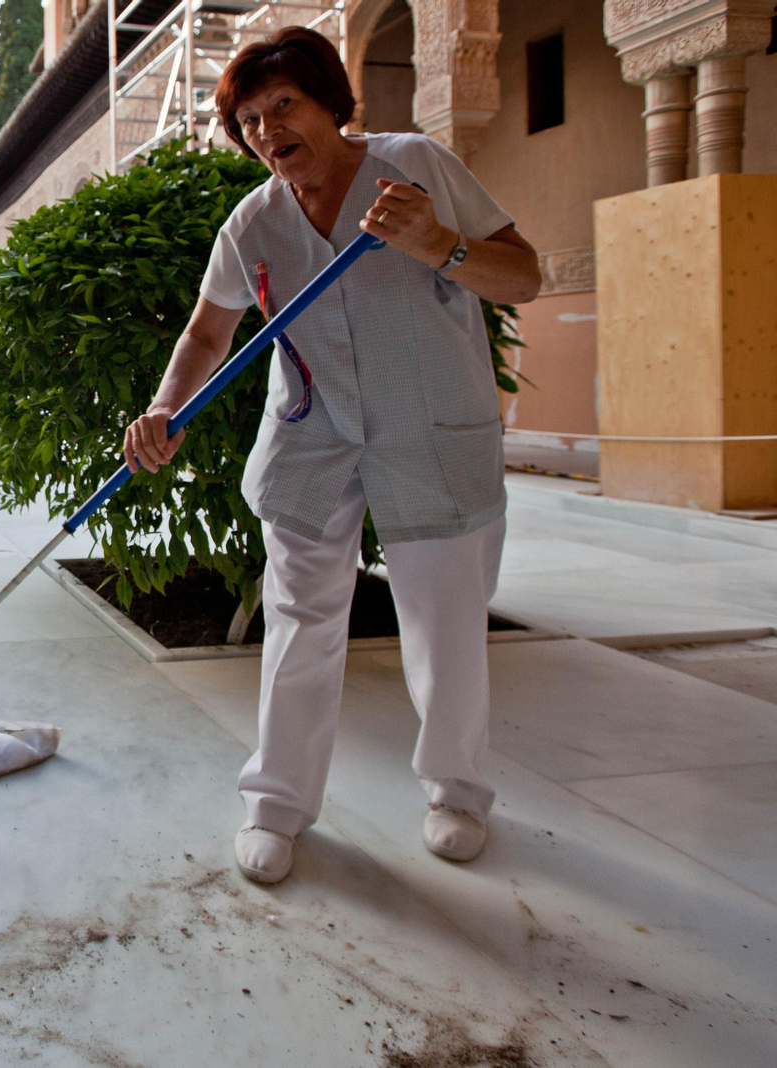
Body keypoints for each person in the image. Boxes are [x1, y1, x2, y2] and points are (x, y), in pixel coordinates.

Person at [121, 27, 541, 885]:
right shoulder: (256, 223)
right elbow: (209, 332)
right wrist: (166, 408)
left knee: (443, 620)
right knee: (301, 620)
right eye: (248, 119)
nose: (269, 129)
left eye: (285, 105)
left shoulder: (415, 166)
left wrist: (438, 244)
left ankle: (457, 792)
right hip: (313, 433)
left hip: (428, 430)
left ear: (330, 106)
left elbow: (523, 275)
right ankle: (275, 805)